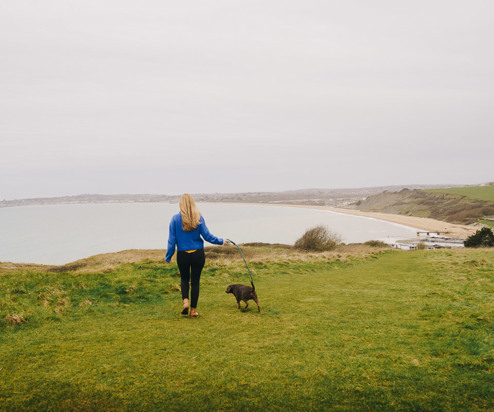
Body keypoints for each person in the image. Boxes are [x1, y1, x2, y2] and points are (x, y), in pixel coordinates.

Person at [165, 193, 226, 317]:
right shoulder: (198, 218)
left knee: (184, 279)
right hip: (197, 254)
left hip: (183, 255)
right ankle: (193, 311)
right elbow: (207, 236)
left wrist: (168, 256)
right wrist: (221, 241)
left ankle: (185, 302)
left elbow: (172, 241)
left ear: (181, 204)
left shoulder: (175, 219)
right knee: (195, 282)